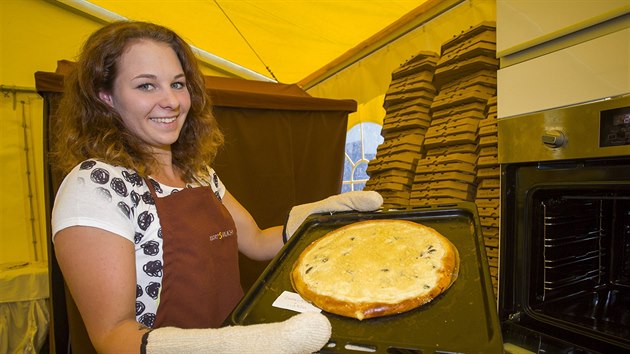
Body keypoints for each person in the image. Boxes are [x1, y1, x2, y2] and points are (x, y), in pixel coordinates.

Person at [51, 20, 383, 354]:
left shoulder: (197, 173)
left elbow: (255, 241)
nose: (172, 101)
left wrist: (322, 213)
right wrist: (243, 344)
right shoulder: (96, 186)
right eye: (146, 86)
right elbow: (113, 337)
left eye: (178, 84)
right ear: (105, 96)